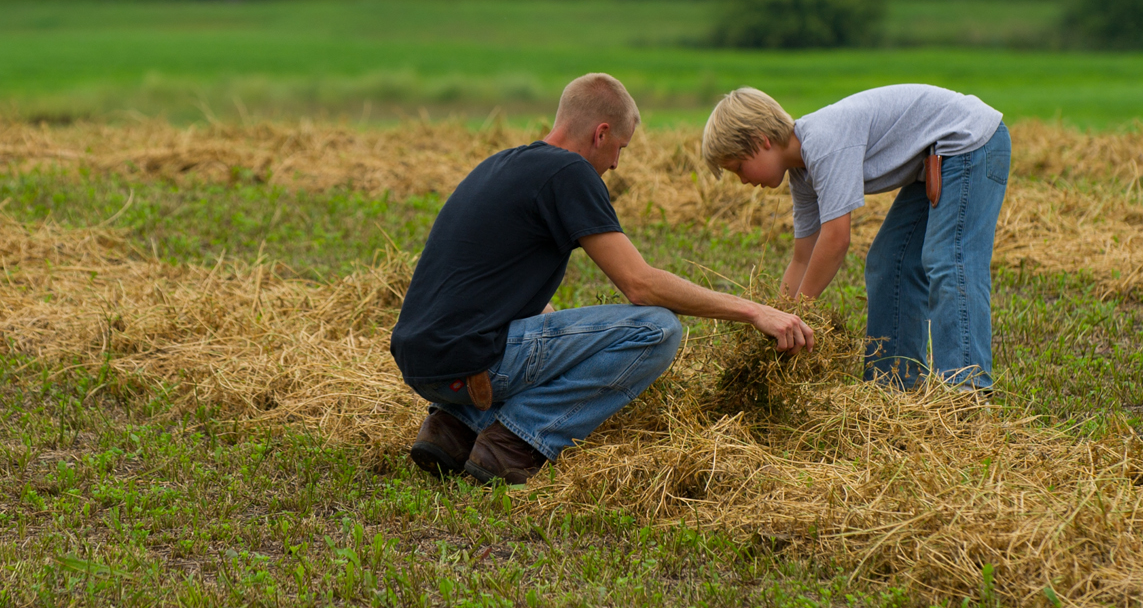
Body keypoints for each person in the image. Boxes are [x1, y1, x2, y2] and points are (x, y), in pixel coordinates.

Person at [391, 72, 815, 485]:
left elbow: (490, 279)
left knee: (560, 325)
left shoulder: (502, 164)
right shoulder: (569, 173)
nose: (615, 163)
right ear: (601, 133)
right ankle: (514, 441)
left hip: (422, 362)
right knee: (656, 329)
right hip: (471, 363)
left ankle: (455, 427)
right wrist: (755, 310)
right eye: (620, 148)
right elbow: (640, 284)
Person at [700, 85, 1009, 393]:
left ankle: (965, 394)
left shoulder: (823, 142)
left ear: (761, 141)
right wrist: (777, 315)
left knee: (948, 258)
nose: (742, 180)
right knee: (890, 261)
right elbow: (802, 258)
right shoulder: (802, 173)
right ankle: (892, 388)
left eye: (738, 167)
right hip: (934, 156)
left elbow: (836, 240)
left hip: (968, 143)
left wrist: (796, 316)